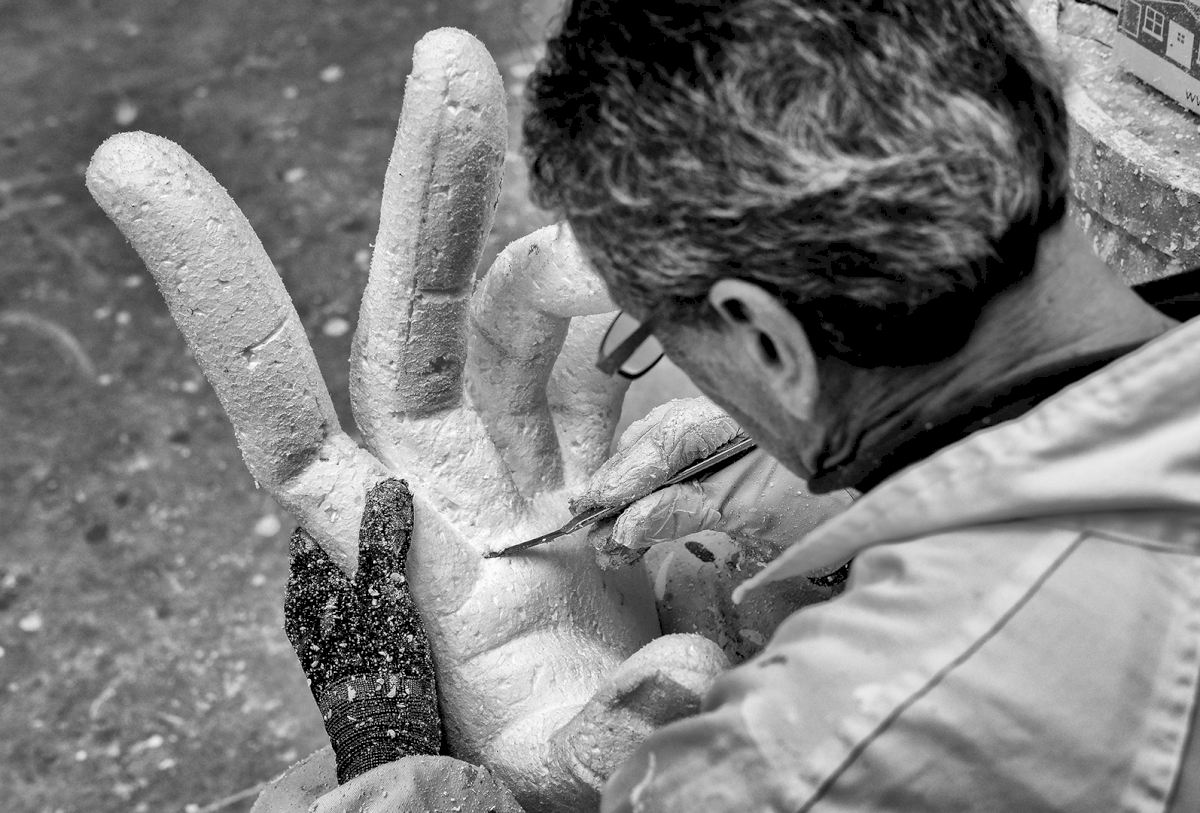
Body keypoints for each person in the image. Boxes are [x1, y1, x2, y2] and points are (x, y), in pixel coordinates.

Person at [516, 0, 1200, 810]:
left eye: (650, 330)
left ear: (769, 340)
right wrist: (851, 474)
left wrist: (501, 753)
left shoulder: (811, 752)